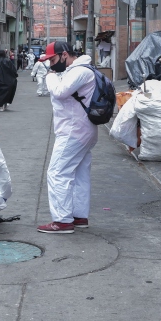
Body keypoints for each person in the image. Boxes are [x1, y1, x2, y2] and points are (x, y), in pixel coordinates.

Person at [38, 41, 97, 233]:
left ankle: (62, 221)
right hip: (81, 130)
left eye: (53, 60)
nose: (51, 65)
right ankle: (79, 216)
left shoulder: (80, 71)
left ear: (64, 55)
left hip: (73, 131)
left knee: (57, 173)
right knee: (79, 173)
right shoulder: (79, 70)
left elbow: (60, 92)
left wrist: (50, 77)